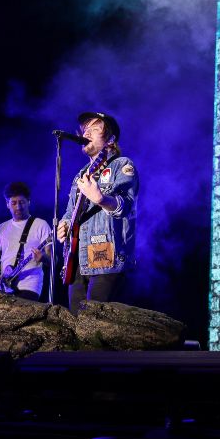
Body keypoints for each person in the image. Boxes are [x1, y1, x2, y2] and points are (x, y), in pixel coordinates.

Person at [57, 112, 138, 314]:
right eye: (85, 130)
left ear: (110, 139)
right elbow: (69, 213)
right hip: (77, 259)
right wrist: (64, 225)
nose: (87, 133)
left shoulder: (122, 165)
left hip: (106, 257)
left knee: (96, 323)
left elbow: (125, 206)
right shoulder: (80, 176)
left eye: (94, 129)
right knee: (75, 322)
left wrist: (101, 199)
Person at [0, 182, 52, 301]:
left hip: (29, 285)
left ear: (28, 202)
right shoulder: (1, 229)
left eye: (22, 202)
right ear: (7, 204)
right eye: (13, 203)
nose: (18, 207)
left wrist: (43, 258)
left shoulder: (41, 225)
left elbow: (53, 259)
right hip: (3, 285)